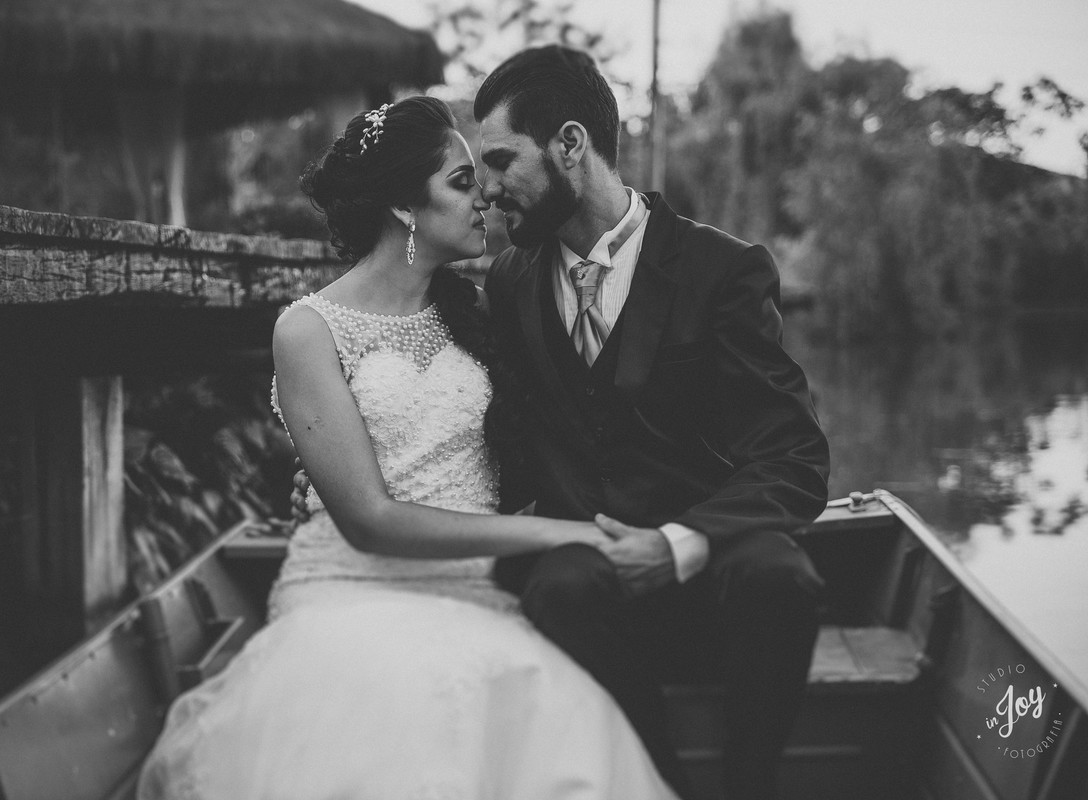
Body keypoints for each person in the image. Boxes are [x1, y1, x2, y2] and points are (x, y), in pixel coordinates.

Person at [288, 46, 831, 799]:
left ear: (570, 146)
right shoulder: (508, 283)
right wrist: (332, 479)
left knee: (781, 574)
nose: (488, 188)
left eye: (502, 161)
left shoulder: (721, 270)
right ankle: (659, 785)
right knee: (559, 591)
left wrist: (679, 543)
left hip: (708, 556)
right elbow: (496, 430)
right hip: (586, 571)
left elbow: (795, 455)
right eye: (470, 173)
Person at [137, 96, 678, 799]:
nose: (484, 194)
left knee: (546, 720)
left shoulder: (485, 312)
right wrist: (560, 533)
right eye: (461, 181)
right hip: (350, 591)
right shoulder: (309, 329)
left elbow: (559, 433)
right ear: (402, 206)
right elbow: (368, 518)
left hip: (473, 594)